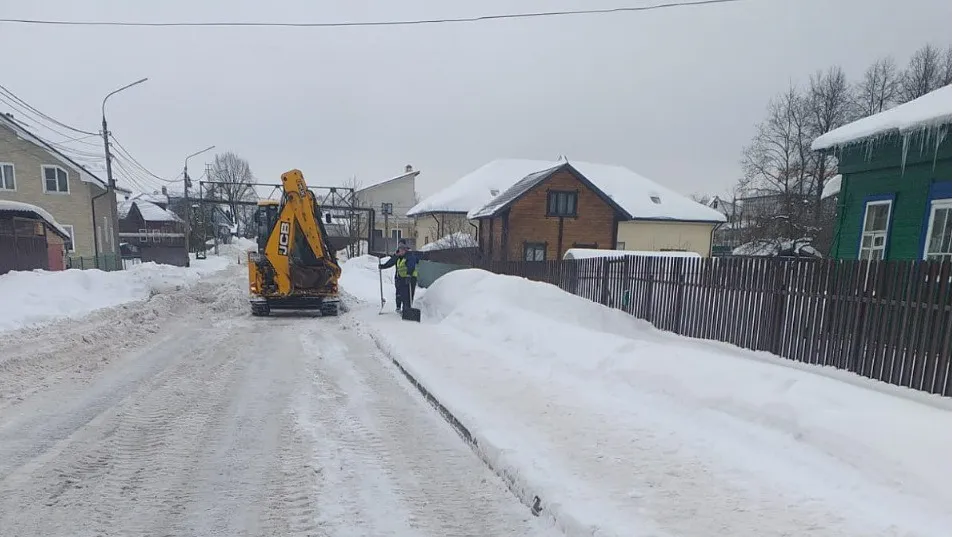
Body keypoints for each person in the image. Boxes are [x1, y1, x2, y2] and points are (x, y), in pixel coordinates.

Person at [379, 241, 419, 313]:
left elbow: (411, 265)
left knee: (408, 294)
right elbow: (391, 261)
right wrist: (383, 266)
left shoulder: (409, 256)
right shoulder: (398, 256)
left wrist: (409, 274)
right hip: (402, 277)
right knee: (401, 293)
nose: (401, 251)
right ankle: (401, 308)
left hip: (411, 277)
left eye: (402, 250)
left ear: (405, 249)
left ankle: (407, 310)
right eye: (400, 249)